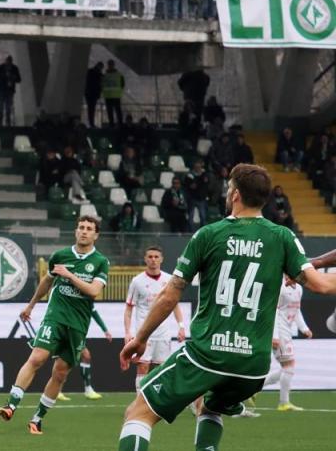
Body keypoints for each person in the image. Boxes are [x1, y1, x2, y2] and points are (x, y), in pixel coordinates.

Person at [116, 163, 336, 451]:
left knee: (138, 414)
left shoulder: (209, 234)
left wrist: (139, 338)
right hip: (253, 367)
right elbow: (322, 286)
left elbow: (168, 297)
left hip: (208, 354)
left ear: (235, 194)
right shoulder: (282, 237)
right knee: (209, 407)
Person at [0, 216, 108, 436]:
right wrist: (30, 306)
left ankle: (37, 419)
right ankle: (11, 405)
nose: (84, 232)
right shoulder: (60, 256)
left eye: (89, 229)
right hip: (55, 316)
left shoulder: (100, 261)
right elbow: (47, 282)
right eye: (81, 228)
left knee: (59, 374)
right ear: (76, 231)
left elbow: (94, 291)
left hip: (78, 325)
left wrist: (69, 275)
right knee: (37, 357)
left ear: (96, 234)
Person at [123, 246, 187, 389]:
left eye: (156, 257)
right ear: (145, 259)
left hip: (163, 333)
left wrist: (181, 326)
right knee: (142, 367)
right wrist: (127, 332)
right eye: (150, 257)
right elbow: (128, 309)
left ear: (161, 259)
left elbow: (174, 305)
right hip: (144, 333)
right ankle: (140, 403)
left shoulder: (169, 280)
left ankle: (157, 404)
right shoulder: (137, 281)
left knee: (162, 369)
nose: (153, 260)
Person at [258, 275, 313, 412]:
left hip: (286, 331)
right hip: (278, 331)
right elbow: (273, 311)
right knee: (289, 365)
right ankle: (284, 403)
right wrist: (274, 335)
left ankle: (254, 389)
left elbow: (296, 310)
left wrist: (304, 328)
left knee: (287, 367)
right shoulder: (280, 287)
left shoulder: (299, 288)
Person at [0, 55, 21, 126]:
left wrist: (13, 77)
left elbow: (19, 79)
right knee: (1, 106)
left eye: (10, 62)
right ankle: (1, 122)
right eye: (8, 62)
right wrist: (6, 76)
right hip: (2, 90)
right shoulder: (0, 67)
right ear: (6, 61)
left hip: (9, 91)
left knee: (7, 106)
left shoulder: (14, 68)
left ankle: (7, 122)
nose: (9, 64)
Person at [102, 60, 124, 127]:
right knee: (115, 111)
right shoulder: (118, 74)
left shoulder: (105, 75)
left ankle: (114, 124)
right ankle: (118, 124)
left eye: (110, 64)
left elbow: (102, 84)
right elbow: (122, 84)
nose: (110, 66)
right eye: (110, 64)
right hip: (114, 96)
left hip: (110, 96)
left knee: (112, 111)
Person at [84, 62, 104, 128]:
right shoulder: (97, 74)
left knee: (91, 109)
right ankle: (91, 123)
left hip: (91, 93)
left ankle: (91, 123)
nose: (100, 68)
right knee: (91, 109)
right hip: (92, 93)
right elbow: (99, 85)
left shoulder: (90, 72)